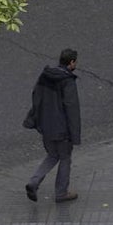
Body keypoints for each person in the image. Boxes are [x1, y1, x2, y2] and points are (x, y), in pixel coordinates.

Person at [26, 48, 81, 203]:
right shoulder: (67, 81)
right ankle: (61, 193)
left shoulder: (45, 76)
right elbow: (72, 109)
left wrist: (37, 119)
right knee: (65, 158)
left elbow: (36, 96)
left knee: (52, 155)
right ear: (71, 62)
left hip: (46, 126)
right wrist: (74, 135)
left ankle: (34, 182)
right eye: (75, 61)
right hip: (62, 129)